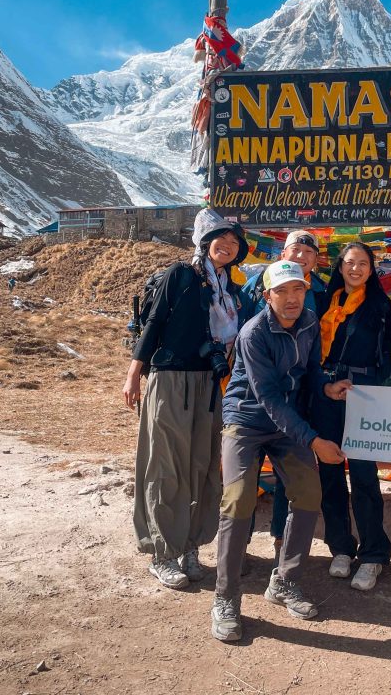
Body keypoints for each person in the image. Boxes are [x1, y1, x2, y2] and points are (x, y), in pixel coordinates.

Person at [210, 260, 352, 643]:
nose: (292, 299)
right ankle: (226, 597)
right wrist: (314, 441)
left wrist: (325, 388)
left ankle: (285, 582)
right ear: (267, 295)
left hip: (286, 422)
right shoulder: (253, 334)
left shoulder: (308, 321)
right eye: (282, 291)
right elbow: (268, 397)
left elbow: (311, 369)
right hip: (247, 418)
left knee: (308, 493)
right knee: (238, 499)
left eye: (299, 290)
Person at [122, 208, 249, 588]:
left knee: (202, 465)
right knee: (166, 466)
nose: (227, 245)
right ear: (205, 241)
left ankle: (190, 544)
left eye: (234, 242)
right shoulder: (180, 275)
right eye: (220, 239)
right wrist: (134, 374)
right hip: (171, 377)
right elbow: (156, 323)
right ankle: (163, 551)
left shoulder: (232, 292)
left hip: (209, 383)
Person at [313, 241, 391, 591]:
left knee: (364, 474)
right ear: (340, 266)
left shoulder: (380, 305)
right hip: (329, 390)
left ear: (371, 268)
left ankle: (374, 553)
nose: (355, 269)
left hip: (365, 392)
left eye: (363, 263)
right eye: (350, 262)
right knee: (330, 473)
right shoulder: (325, 302)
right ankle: (341, 547)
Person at [241, 230, 328, 560]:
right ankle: (241, 547)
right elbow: (244, 330)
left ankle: (281, 543)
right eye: (296, 249)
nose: (302, 255)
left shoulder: (320, 290)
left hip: (297, 395)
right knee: (245, 481)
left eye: (309, 251)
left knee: (289, 481)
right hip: (255, 394)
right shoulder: (255, 289)